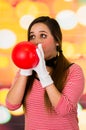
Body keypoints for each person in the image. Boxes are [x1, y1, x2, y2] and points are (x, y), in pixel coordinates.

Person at [6, 16, 85, 130]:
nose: (36, 41)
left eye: (43, 35)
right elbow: (12, 105)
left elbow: (63, 109)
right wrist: (25, 71)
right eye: (32, 36)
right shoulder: (23, 73)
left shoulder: (73, 71)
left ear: (57, 41)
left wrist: (43, 74)